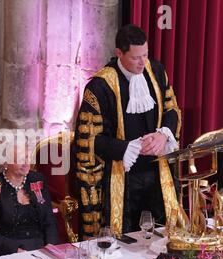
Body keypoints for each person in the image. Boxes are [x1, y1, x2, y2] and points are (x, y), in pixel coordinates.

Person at [74, 24, 181, 238]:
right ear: (119, 53)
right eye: (135, 58)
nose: (143, 62)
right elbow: (89, 141)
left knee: (161, 236)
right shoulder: (99, 87)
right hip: (121, 178)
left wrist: (163, 134)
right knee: (124, 239)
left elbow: (172, 109)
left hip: (156, 174)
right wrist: (129, 148)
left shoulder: (157, 72)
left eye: (145, 55)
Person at [0, 141, 59, 256]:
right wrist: (17, 251)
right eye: (20, 159)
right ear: (5, 163)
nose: (26, 163)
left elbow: (49, 220)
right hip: (11, 253)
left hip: (42, 250)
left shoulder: (37, 179)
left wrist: (50, 245)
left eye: (27, 157)